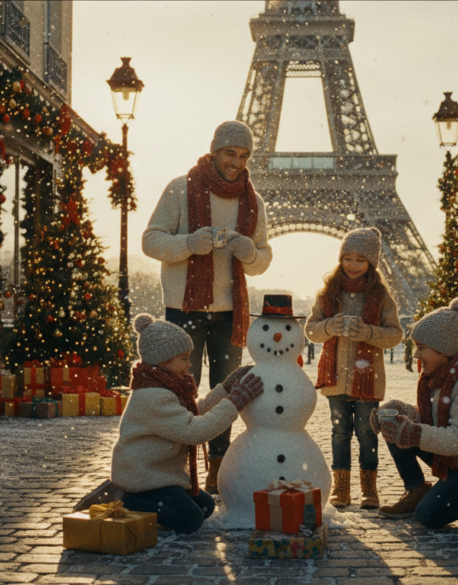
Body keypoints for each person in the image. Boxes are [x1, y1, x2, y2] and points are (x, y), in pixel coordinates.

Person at [142, 121, 273, 494]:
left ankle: (217, 469)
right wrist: (188, 243)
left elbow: (262, 259)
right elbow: (150, 241)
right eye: (230, 153)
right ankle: (176, 468)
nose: (236, 162)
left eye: (244, 156)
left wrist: (249, 252)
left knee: (225, 392)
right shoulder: (180, 189)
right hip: (184, 310)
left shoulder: (254, 202)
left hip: (229, 314)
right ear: (215, 151)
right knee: (179, 391)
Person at [105, 314, 263, 534]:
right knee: (190, 519)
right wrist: (234, 402)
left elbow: (192, 413)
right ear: (163, 360)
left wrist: (225, 389)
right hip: (142, 479)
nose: (189, 364)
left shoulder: (164, 386)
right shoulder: (153, 396)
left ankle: (146, 501)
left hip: (159, 475)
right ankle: (126, 500)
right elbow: (194, 431)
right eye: (184, 358)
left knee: (205, 506)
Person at [371, 298, 458, 528]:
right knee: (394, 426)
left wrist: (413, 433)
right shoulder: (438, 375)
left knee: (428, 516)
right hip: (453, 457)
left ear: (444, 351)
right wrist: (403, 412)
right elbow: (433, 420)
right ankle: (416, 489)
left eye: (421, 348)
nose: (416, 355)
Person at [304, 227, 403, 509]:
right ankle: (342, 488)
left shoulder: (381, 296)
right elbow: (310, 330)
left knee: (367, 433)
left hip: (368, 379)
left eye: (361, 259)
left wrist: (368, 333)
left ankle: (369, 489)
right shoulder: (327, 294)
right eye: (348, 258)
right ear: (340, 259)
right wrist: (330, 326)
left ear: (371, 263)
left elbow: (395, 334)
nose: (353, 265)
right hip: (335, 378)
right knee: (340, 433)